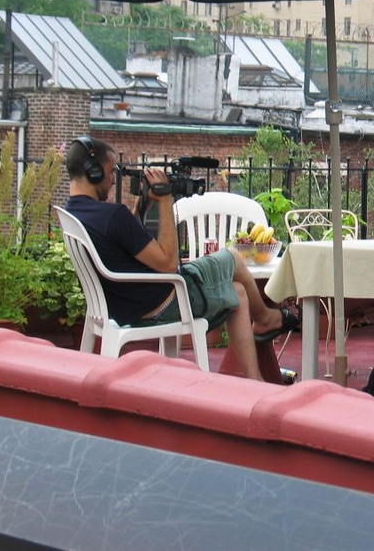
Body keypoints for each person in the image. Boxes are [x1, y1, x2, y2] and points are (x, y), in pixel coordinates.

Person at [62, 136, 299, 381]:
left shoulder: (74, 213)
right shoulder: (112, 216)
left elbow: (127, 239)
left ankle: (255, 380)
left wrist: (143, 204)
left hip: (122, 306)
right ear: (94, 172)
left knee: (237, 292)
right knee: (232, 258)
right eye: (111, 172)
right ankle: (266, 318)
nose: (113, 180)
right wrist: (164, 200)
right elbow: (167, 264)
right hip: (162, 302)